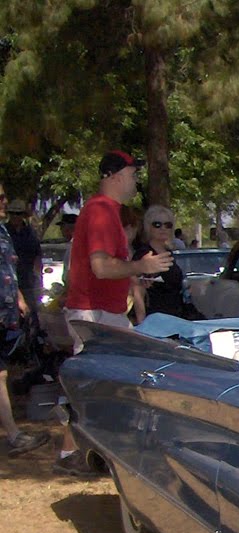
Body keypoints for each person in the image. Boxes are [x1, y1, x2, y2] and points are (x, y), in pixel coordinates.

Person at [55, 150, 171, 476]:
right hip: (95, 315)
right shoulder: (103, 211)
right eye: (133, 174)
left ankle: (82, 451)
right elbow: (102, 267)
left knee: (96, 384)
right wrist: (140, 265)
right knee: (92, 385)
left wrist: (135, 277)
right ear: (116, 175)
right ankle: (70, 454)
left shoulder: (102, 210)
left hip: (101, 312)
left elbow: (105, 270)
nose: (136, 180)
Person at [0, 186, 50, 457]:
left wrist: (20, 298)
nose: (5, 204)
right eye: (1, 199)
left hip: (6, 311)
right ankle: (14, 434)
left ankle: (14, 434)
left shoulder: (6, 233)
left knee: (2, 374)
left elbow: (11, 270)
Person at [132, 205, 190, 319]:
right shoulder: (144, 254)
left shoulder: (169, 252)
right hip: (154, 318)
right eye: (157, 224)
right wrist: (142, 324)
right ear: (149, 227)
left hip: (175, 315)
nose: (163, 228)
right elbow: (137, 291)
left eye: (168, 225)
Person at [6, 200, 42, 322]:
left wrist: (38, 278)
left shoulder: (30, 233)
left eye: (19, 214)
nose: (16, 217)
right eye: (13, 214)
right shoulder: (4, 232)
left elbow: (37, 256)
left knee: (32, 316)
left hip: (28, 281)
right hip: (9, 282)